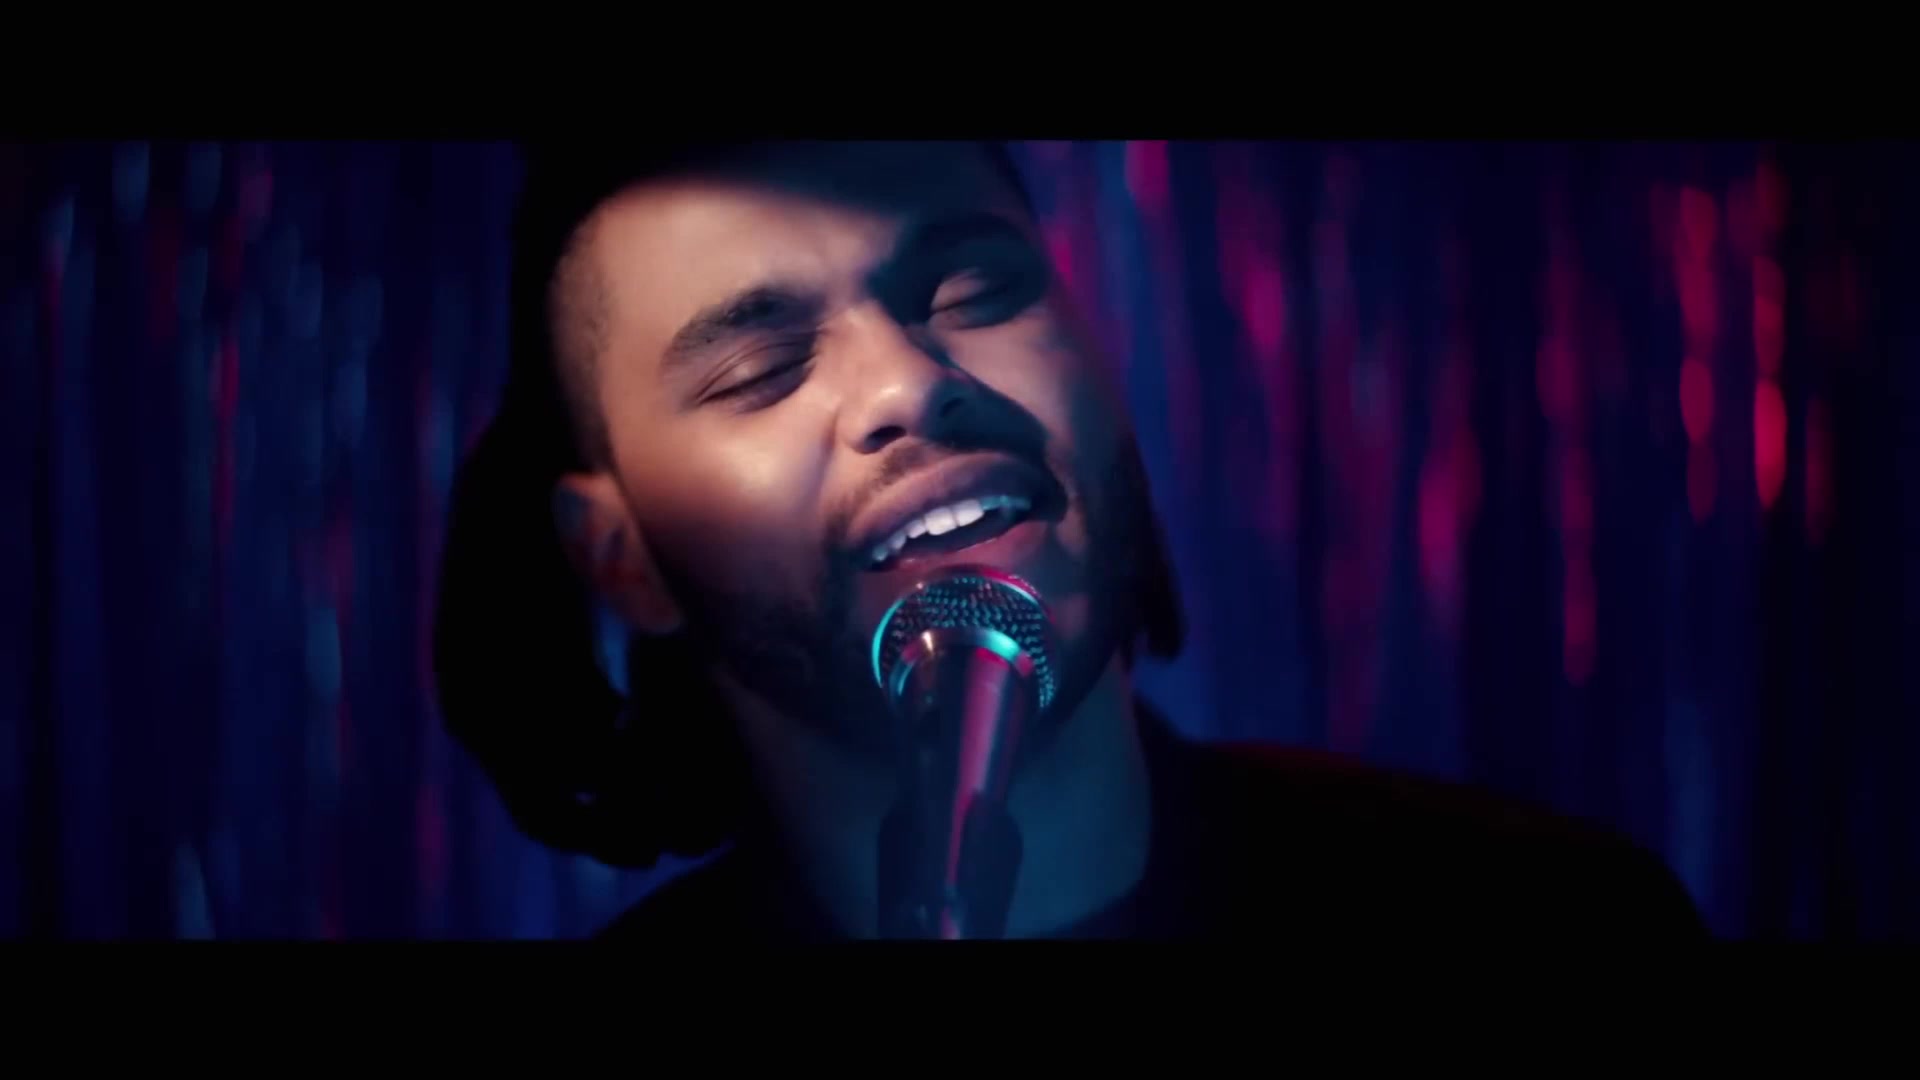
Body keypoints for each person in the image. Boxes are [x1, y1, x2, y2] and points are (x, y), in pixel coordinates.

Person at [432, 140, 1708, 941]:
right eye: (761, 367)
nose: (910, 384)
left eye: (975, 291)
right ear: (619, 556)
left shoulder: (1551, 921)